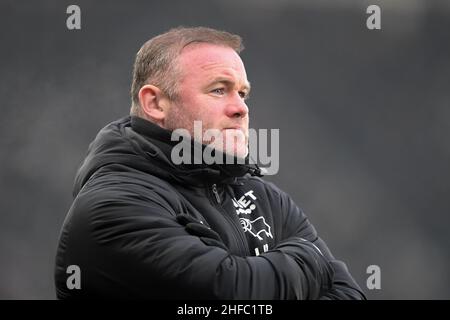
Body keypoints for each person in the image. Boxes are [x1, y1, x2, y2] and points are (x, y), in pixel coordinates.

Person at [54, 26, 366, 300]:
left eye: (243, 94)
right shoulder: (112, 205)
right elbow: (230, 295)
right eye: (219, 90)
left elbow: (349, 294)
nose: (240, 108)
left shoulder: (264, 197)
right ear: (155, 103)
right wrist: (309, 258)